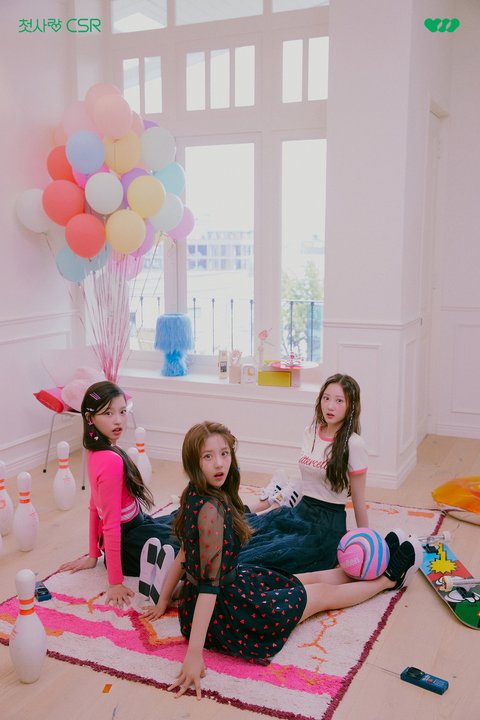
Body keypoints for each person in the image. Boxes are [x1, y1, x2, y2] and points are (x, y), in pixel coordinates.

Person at [141, 421, 423, 700]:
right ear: (194, 462)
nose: (219, 463)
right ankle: (389, 578)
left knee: (303, 579)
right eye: (208, 456)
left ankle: (375, 562)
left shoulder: (195, 492)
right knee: (322, 594)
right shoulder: (210, 512)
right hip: (227, 616)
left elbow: (184, 553)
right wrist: (193, 654)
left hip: (221, 593)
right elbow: (208, 587)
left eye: (224, 454)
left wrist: (164, 599)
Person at [58, 381, 175, 608]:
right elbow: (110, 524)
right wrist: (115, 583)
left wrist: (94, 555)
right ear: (90, 418)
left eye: (122, 412)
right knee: (190, 550)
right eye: (108, 413)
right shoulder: (111, 460)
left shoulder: (95, 451)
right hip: (128, 541)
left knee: (184, 527)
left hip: (135, 529)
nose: (118, 420)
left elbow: (94, 506)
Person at [239, 373, 369, 572]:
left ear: (351, 406)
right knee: (247, 532)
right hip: (301, 511)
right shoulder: (310, 432)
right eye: (326, 398)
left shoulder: (354, 444)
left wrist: (367, 542)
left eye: (339, 401)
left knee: (267, 556)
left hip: (326, 526)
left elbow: (359, 501)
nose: (330, 406)